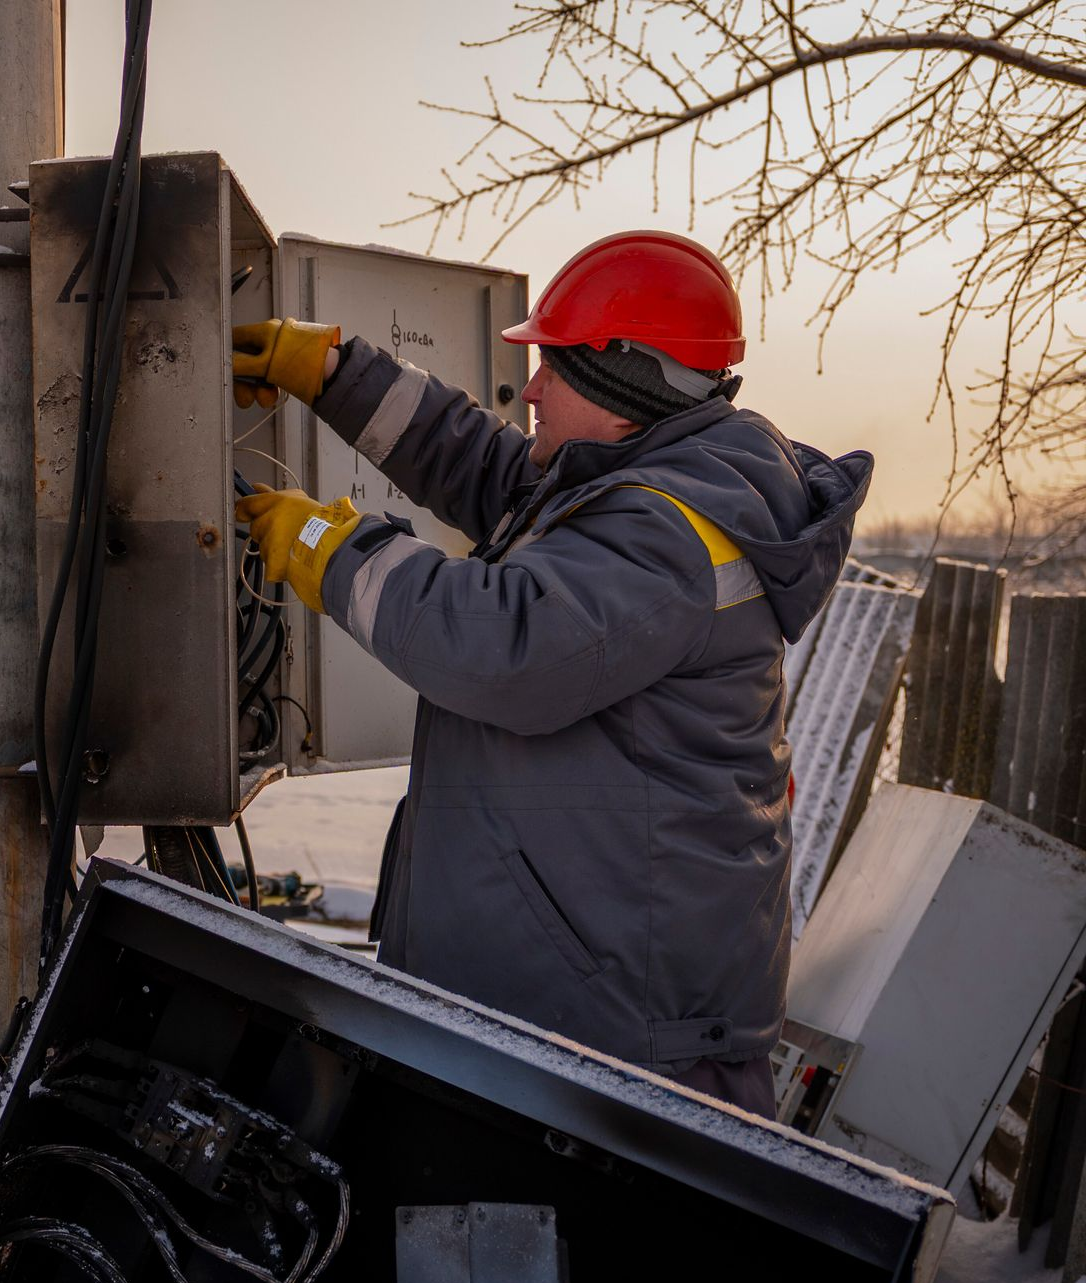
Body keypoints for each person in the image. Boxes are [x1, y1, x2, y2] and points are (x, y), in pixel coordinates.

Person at [232, 231, 870, 1117]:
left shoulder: (672, 534)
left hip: (628, 1057)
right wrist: (337, 374)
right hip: (576, 1010)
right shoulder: (647, 479)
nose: (529, 390)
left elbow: (496, 647)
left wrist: (326, 547)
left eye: (555, 368)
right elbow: (484, 466)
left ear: (626, 383)